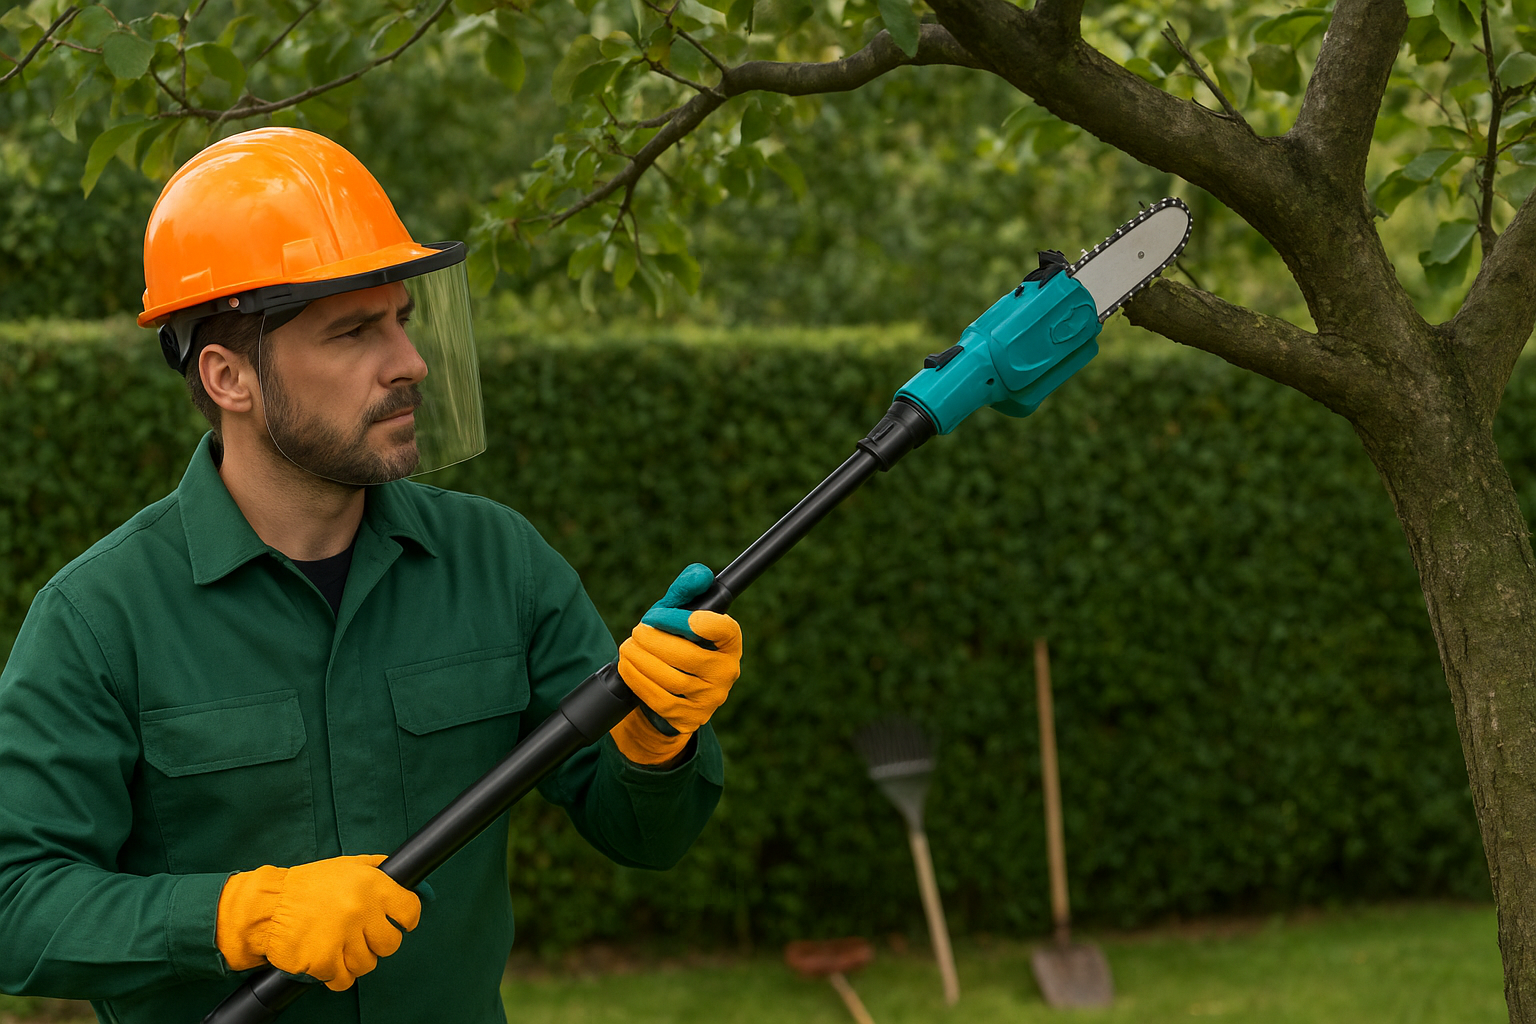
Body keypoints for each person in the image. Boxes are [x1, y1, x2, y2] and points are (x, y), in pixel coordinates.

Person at [0, 127, 741, 1023]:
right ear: (228, 377)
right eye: (354, 332)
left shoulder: (499, 563)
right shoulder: (99, 618)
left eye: (402, 320)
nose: (410, 362)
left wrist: (656, 738)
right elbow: (15, 902)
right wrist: (240, 916)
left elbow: (645, 835)